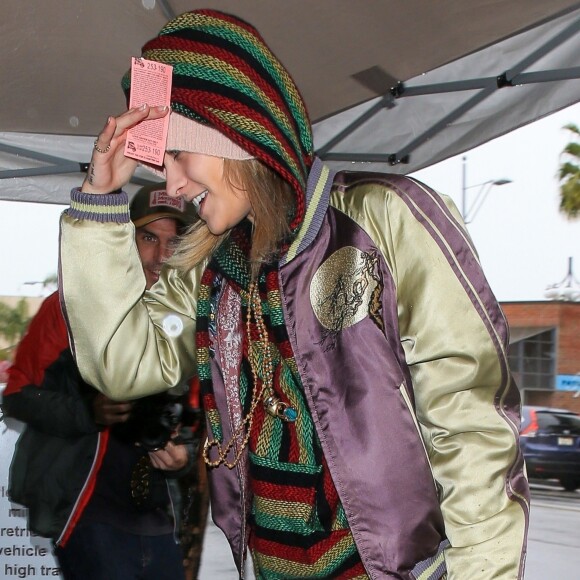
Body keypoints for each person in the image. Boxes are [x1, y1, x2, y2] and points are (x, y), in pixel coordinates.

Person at [58, 9, 530, 579]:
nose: (173, 187)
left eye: (179, 155)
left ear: (234, 132)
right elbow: (120, 364)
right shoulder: (210, 266)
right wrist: (98, 200)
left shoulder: (380, 219)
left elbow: (470, 424)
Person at [3, 183, 202, 580]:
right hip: (88, 514)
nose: (162, 255)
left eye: (174, 242)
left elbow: (198, 420)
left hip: (159, 518)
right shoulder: (69, 307)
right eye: (149, 238)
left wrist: (183, 456)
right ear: (125, 240)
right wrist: (87, 412)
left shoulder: (192, 322)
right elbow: (18, 396)